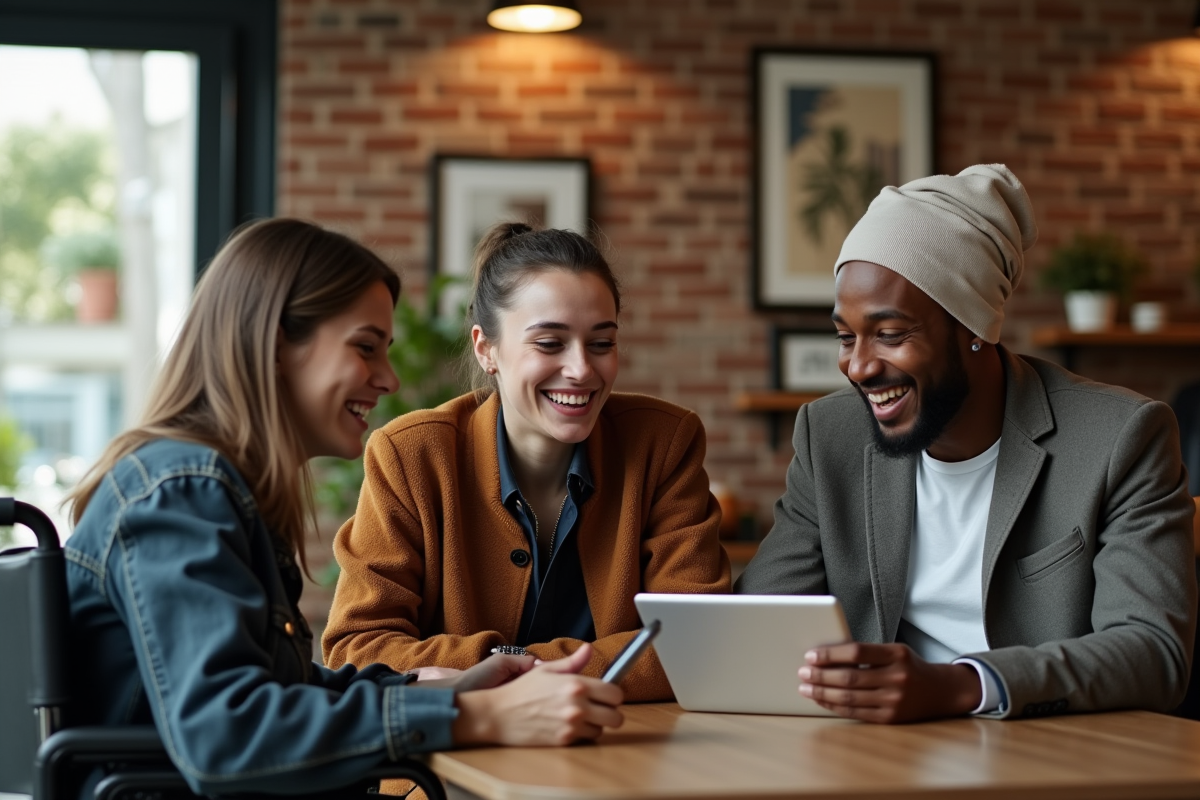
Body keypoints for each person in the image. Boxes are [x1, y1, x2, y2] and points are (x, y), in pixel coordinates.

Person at [63, 219, 625, 798]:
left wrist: (451, 692)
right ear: (276, 344)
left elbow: (283, 692)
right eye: (365, 348)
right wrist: (482, 718)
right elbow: (225, 736)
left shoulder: (213, 489)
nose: (388, 378)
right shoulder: (181, 491)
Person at [737, 164, 1197, 722]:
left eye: (889, 334)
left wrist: (962, 686)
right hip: (873, 753)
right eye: (844, 336)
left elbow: (1153, 653)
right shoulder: (828, 436)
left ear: (975, 326)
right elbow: (755, 623)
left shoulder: (1121, 437)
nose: (857, 366)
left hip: (1051, 750)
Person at [322, 222, 730, 701]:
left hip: (625, 752)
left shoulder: (663, 442)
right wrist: (533, 670)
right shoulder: (410, 456)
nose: (581, 369)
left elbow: (697, 640)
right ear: (486, 348)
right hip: (452, 761)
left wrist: (503, 671)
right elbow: (358, 647)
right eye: (549, 343)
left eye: (602, 343)